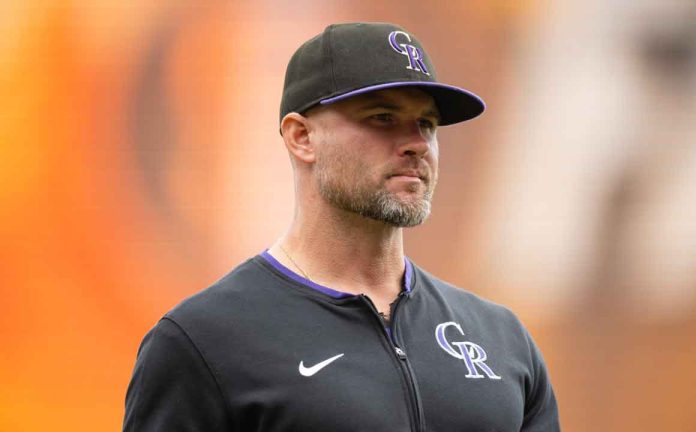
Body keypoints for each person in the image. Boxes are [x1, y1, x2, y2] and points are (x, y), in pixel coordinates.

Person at [123, 22, 560, 432]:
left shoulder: (502, 340)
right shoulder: (203, 342)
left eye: (426, 123)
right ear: (301, 137)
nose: (416, 144)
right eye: (382, 118)